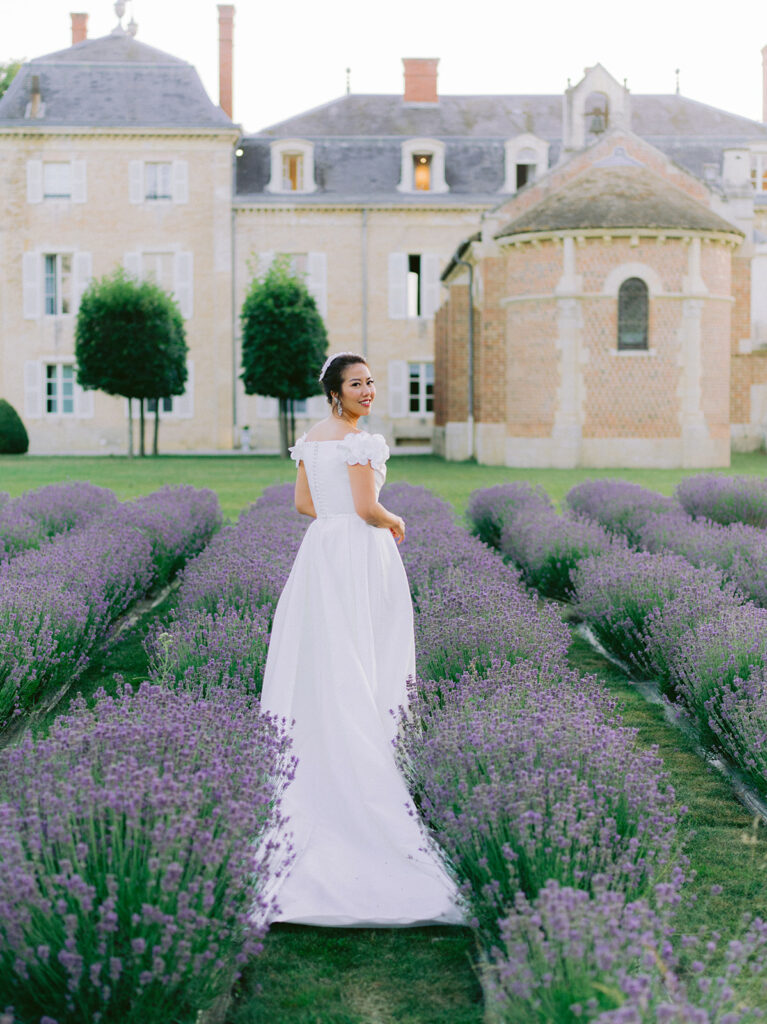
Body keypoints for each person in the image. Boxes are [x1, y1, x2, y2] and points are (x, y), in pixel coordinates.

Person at [259, 351, 463, 927]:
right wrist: (393, 520)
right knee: (365, 653)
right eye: (356, 384)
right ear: (336, 391)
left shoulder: (311, 439)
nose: (367, 390)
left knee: (326, 655)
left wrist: (339, 521)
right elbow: (368, 507)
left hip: (322, 553)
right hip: (358, 554)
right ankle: (368, 760)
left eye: (371, 381)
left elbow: (304, 504)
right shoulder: (361, 442)